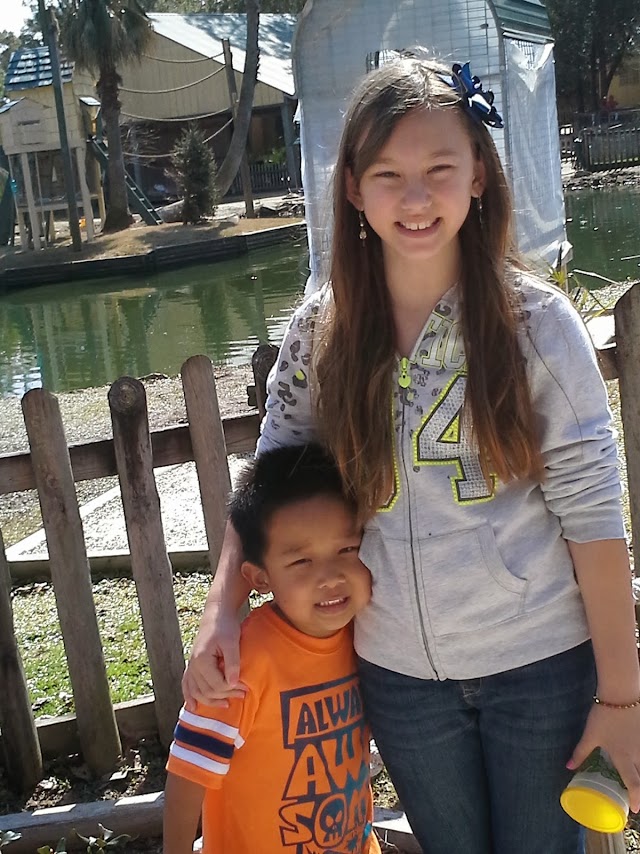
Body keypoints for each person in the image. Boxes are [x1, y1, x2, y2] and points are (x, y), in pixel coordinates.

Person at [181, 55, 640, 854]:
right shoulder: (321, 332)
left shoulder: (539, 326)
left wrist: (623, 701)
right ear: (353, 188)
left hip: (541, 667)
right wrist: (221, 610)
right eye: (388, 174)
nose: (417, 197)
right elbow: (271, 480)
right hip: (399, 679)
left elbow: (595, 522)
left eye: (440, 169)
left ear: (479, 176)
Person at [163, 444, 381, 854]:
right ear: (260, 579)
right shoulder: (240, 665)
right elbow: (188, 773)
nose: (330, 577)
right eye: (301, 562)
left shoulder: (369, 637)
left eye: (347, 550)